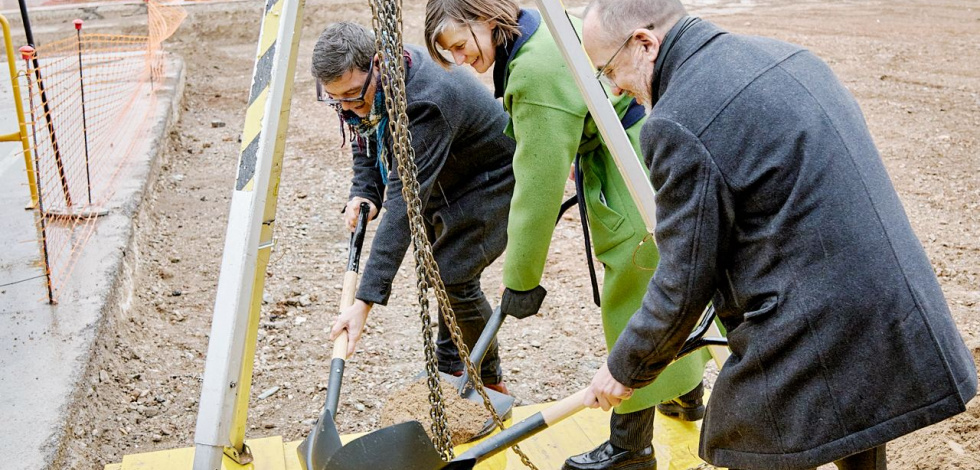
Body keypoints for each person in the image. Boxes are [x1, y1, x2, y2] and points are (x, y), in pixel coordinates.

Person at [579, 0, 979, 469]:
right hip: (887, 295)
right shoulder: (790, 56)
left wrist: (623, 367)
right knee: (858, 419)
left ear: (645, 43)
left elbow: (683, 282)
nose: (615, 87)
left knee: (746, 437)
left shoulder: (676, 121)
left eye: (609, 70)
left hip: (816, 316)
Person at [425, 2, 711, 469]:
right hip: (646, 149)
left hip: (630, 167)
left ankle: (630, 448)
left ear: (489, 18)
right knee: (671, 278)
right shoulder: (548, 29)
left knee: (634, 296)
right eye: (449, 53)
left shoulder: (534, 74)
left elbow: (537, 188)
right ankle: (685, 395)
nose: (461, 61)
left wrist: (521, 278)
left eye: (461, 44)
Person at [313, 22, 516, 394]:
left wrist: (364, 303)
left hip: (491, 178)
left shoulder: (425, 101)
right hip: (446, 170)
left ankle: (489, 381)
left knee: (453, 274)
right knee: (440, 270)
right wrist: (363, 191)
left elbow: (405, 203)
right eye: (335, 99)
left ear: (378, 64)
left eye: (353, 96)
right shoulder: (353, 89)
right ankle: (450, 366)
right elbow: (364, 130)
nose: (347, 107)